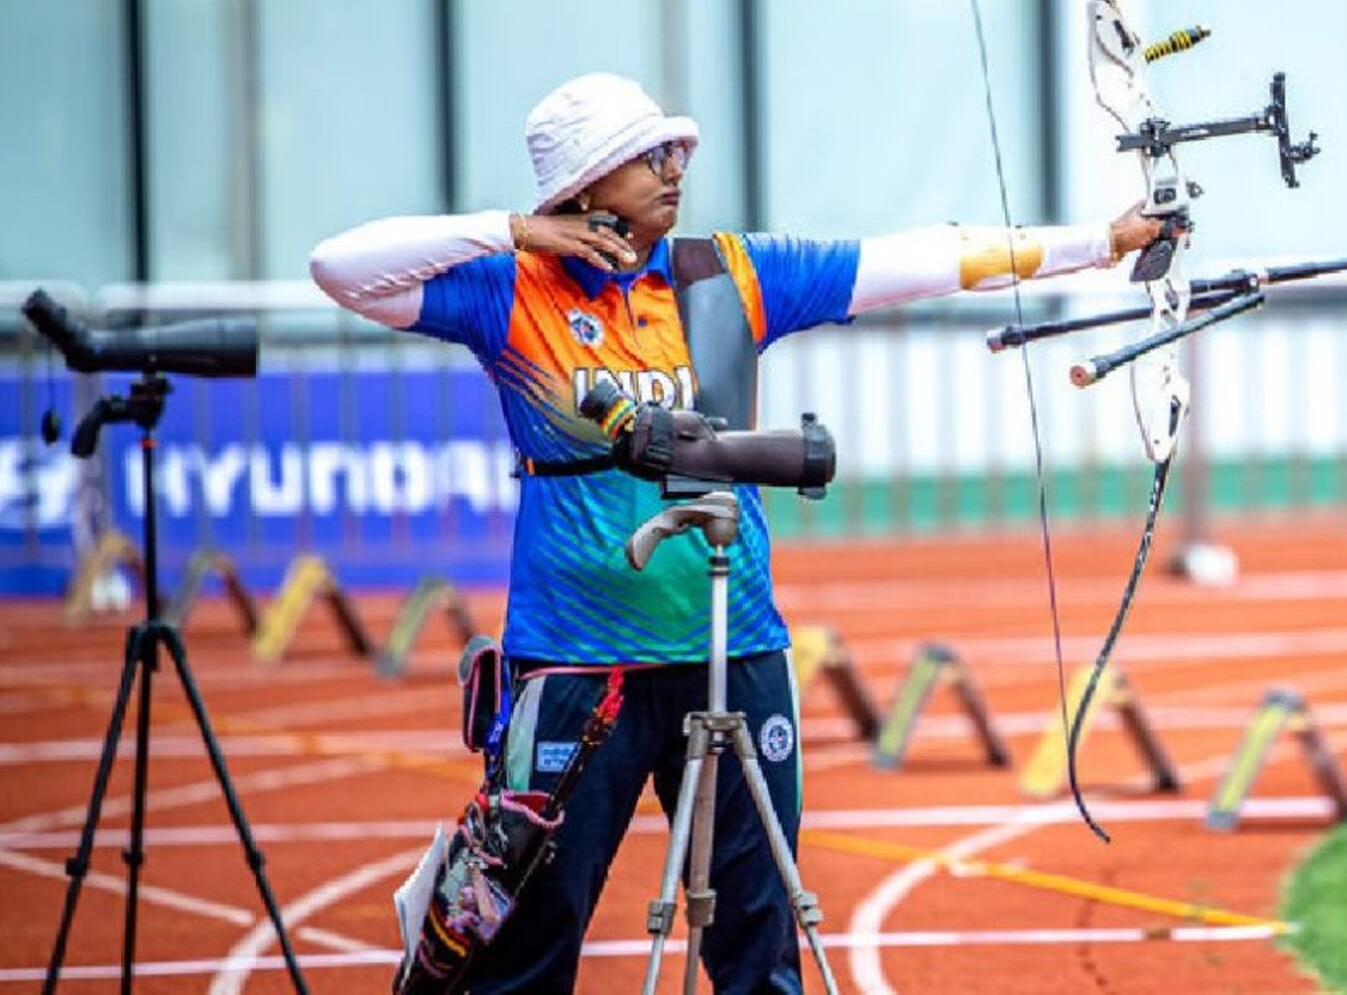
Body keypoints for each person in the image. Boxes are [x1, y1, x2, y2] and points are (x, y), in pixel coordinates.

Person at [310, 71, 1164, 993]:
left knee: (758, 936)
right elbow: (340, 268)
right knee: (526, 946)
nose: (676, 166)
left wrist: (1100, 243)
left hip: (734, 645)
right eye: (648, 156)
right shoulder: (511, 289)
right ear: (587, 185)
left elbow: (920, 257)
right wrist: (519, 230)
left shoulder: (728, 274)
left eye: (675, 150)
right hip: (575, 663)